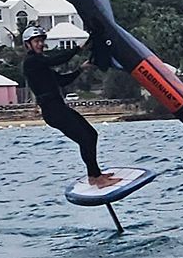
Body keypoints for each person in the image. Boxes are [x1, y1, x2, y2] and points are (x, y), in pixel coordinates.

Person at [21, 26, 120, 188]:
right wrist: (78, 48)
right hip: (53, 111)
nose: (40, 44)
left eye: (42, 41)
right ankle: (97, 178)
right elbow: (57, 60)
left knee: (91, 135)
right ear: (28, 44)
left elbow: (62, 81)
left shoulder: (41, 64)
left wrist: (81, 69)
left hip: (59, 108)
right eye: (36, 41)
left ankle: (94, 175)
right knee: (85, 139)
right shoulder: (32, 61)